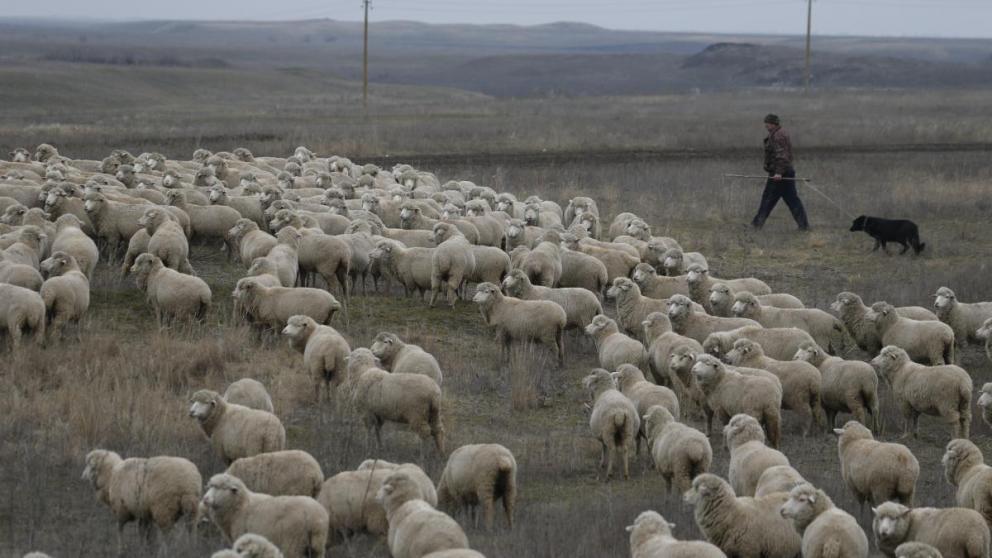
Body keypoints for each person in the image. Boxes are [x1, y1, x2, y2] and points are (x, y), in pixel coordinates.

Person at [751, 113, 809, 231]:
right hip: (785, 172)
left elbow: (782, 156)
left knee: (768, 198)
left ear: (773, 124)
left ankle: (756, 225)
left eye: (767, 123)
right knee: (792, 200)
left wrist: (778, 173)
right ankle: (803, 226)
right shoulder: (778, 133)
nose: (766, 125)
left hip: (780, 173)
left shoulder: (778, 136)